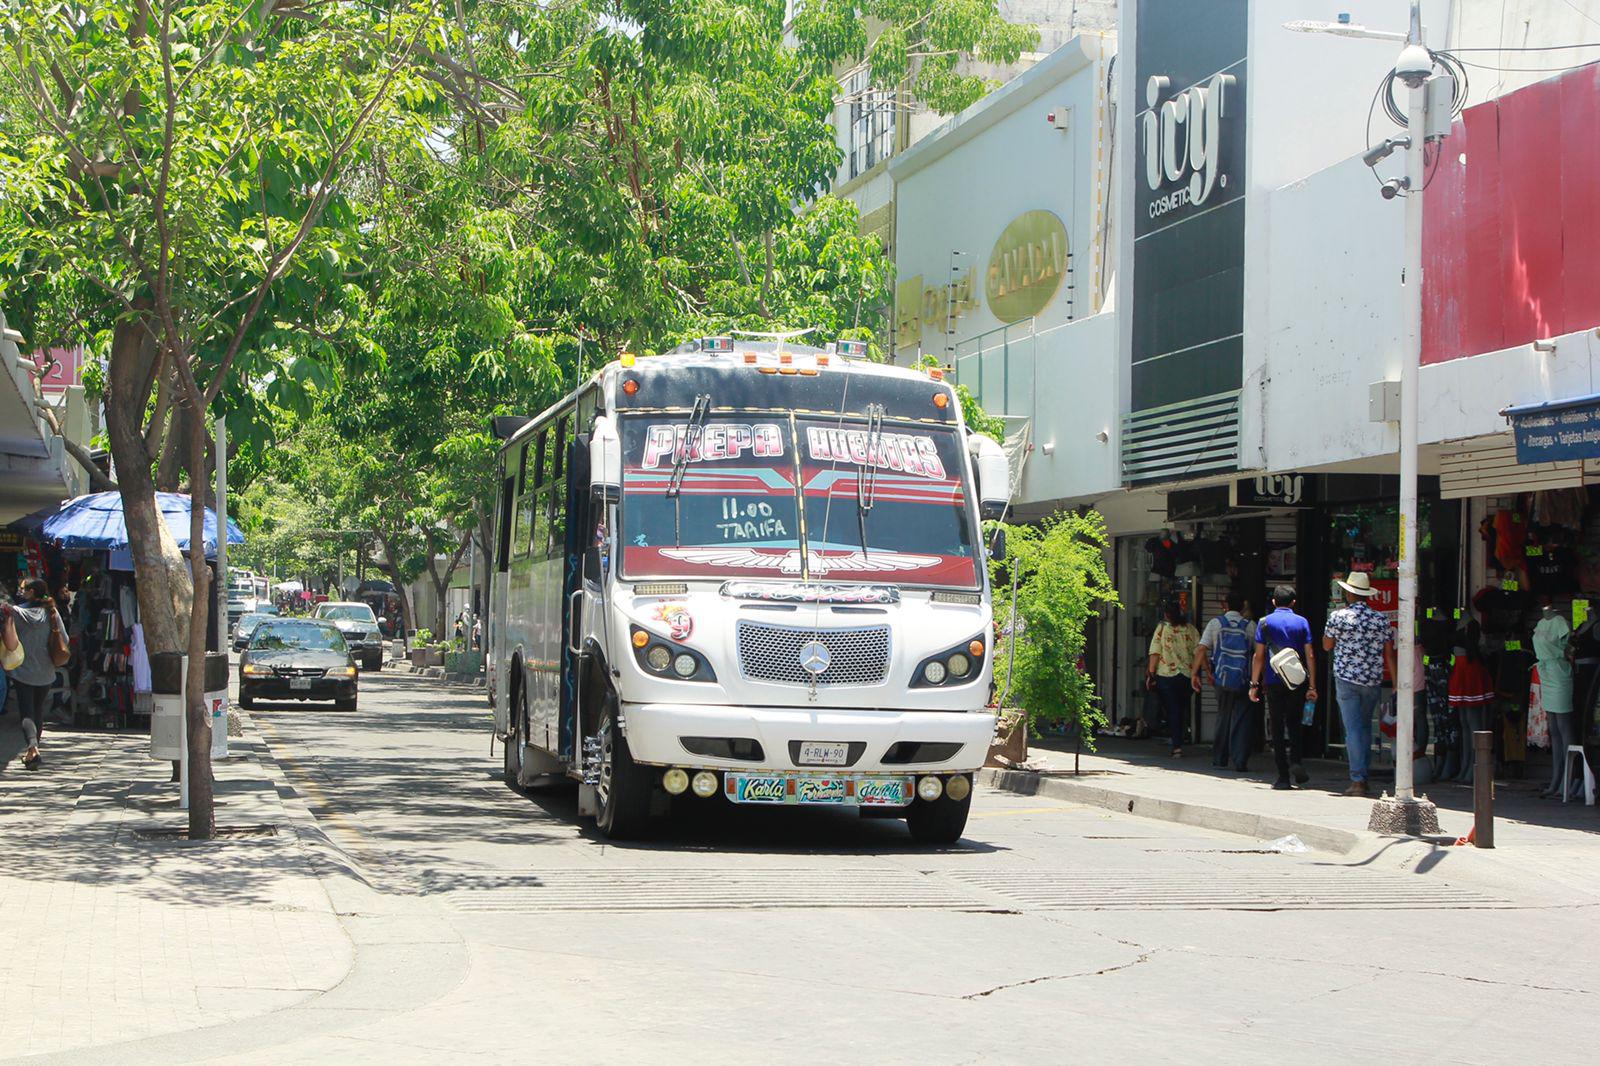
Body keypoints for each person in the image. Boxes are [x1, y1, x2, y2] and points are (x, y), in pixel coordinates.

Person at [1322, 571, 1397, 798]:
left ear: (1348, 592)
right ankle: (1362, 774)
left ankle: (1358, 779)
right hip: (1372, 680)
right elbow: (1389, 654)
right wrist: (1395, 683)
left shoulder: (1338, 617)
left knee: (1353, 730)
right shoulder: (1380, 619)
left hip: (1346, 679)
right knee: (1364, 727)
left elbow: (1327, 645)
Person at [1250, 584, 1318, 790]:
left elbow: (1259, 656)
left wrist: (1254, 683)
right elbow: (1310, 654)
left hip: (1273, 681)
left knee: (1277, 727)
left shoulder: (1264, 623)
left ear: (1273, 602)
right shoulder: (1302, 622)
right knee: (1295, 724)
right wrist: (1312, 685)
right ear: (1293, 602)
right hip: (1297, 681)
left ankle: (1282, 776)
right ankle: (1296, 761)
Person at [8, 579, 68, 770]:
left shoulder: (17, 613)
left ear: (31, 592)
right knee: (38, 710)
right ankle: (33, 751)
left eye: (23, 589)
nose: (20, 591)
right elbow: (64, 639)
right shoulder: (51, 611)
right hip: (46, 670)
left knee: (26, 711)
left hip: (22, 670)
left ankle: (32, 747)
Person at [1194, 592, 1256, 771]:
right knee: (1241, 719)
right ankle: (1240, 760)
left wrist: (1199, 672)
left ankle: (1220, 759)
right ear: (1243, 607)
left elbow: (1201, 649)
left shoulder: (1215, 624)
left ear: (1225, 605)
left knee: (1223, 716)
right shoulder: (1250, 626)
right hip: (1243, 680)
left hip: (1221, 679)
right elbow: (1257, 654)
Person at [1532, 597, 1577, 799]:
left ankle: (1567, 780)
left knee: (1564, 729)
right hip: (1546, 672)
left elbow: (1567, 646)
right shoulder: (1541, 623)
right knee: (1554, 731)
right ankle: (1555, 779)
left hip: (1559, 672)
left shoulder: (1560, 622)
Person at [1146, 602, 1200, 757]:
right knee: (1181, 709)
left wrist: (1151, 674)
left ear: (1166, 615)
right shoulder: (1191, 629)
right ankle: (1179, 738)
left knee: (1172, 709)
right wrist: (1205, 671)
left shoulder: (1162, 628)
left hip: (1166, 675)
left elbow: (1155, 652)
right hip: (1186, 675)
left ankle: (1177, 744)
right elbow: (1199, 652)